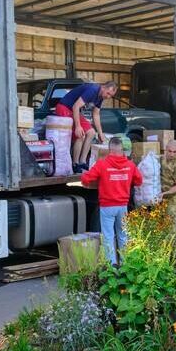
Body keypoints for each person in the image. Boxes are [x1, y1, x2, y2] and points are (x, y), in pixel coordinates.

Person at [81, 136, 143, 265]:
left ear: (110, 150)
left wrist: (83, 173)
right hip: (123, 206)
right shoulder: (130, 165)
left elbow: (86, 179)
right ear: (122, 150)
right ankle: (125, 264)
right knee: (123, 236)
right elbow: (139, 181)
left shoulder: (102, 164)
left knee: (108, 236)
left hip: (107, 206)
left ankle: (112, 265)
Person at [55, 81, 118, 173]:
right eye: (108, 93)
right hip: (64, 107)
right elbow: (76, 106)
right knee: (80, 134)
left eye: (110, 96)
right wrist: (78, 126)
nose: (108, 97)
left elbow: (96, 115)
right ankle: (75, 164)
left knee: (91, 133)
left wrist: (100, 134)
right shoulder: (92, 90)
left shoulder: (100, 97)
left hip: (73, 110)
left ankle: (82, 162)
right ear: (103, 87)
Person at [159, 140, 176, 224]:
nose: (172, 154)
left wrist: (165, 193)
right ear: (165, 149)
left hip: (173, 200)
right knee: (161, 227)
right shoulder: (162, 159)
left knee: (171, 228)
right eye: (169, 151)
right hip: (161, 198)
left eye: (175, 152)